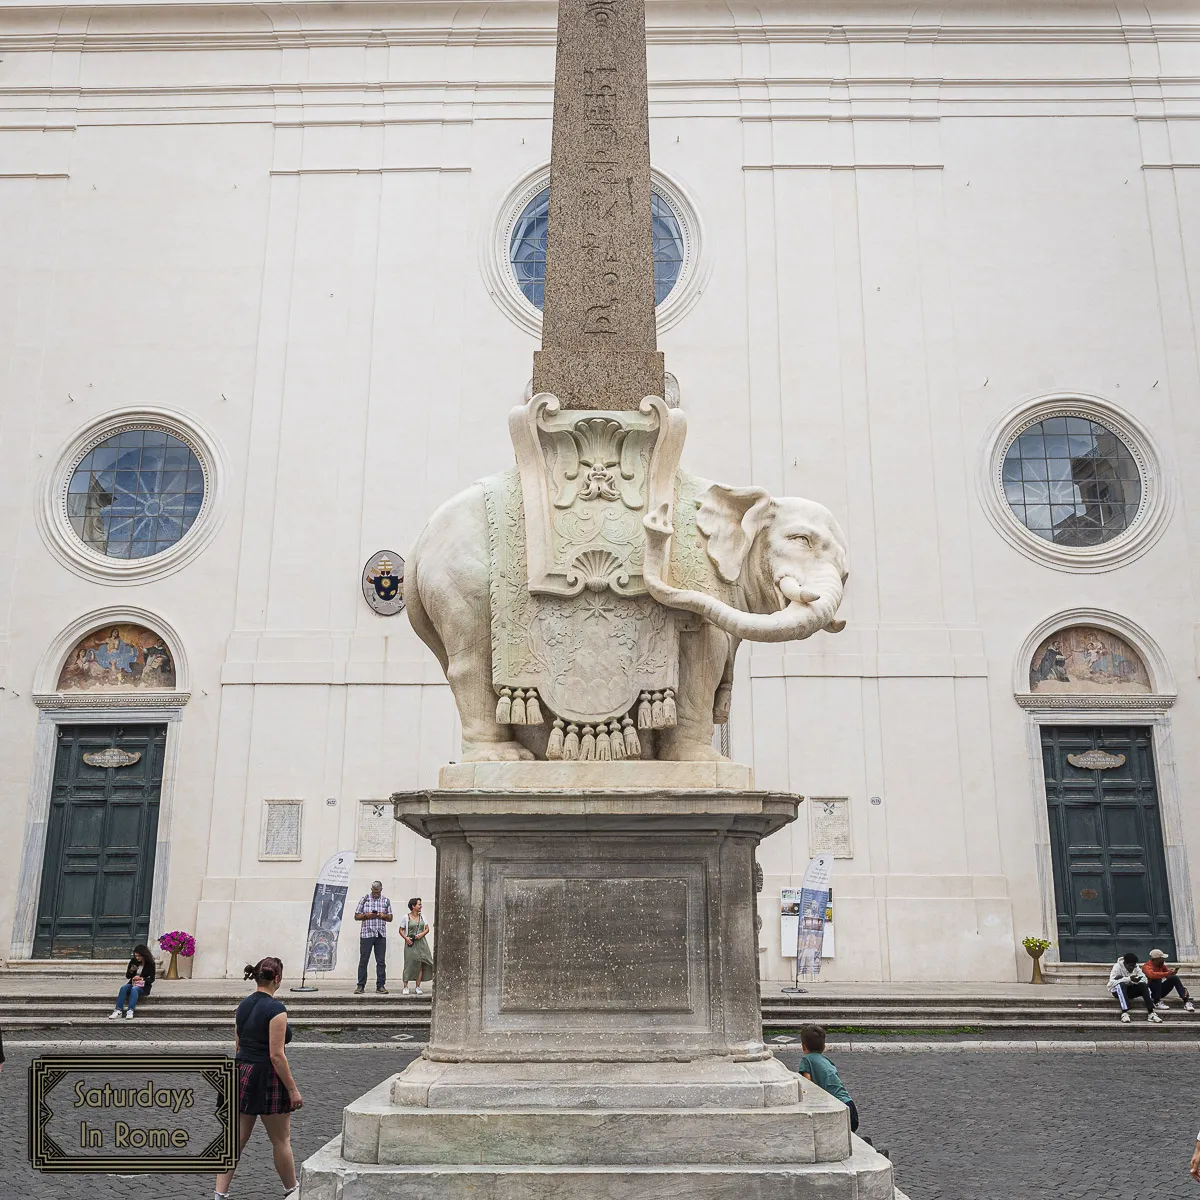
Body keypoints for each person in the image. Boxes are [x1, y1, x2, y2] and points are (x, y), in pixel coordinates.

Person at [214, 957, 303, 1200]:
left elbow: (238, 1046)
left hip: (241, 1071)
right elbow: (277, 1056)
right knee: (281, 1140)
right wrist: (293, 1090)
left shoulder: (242, 1006)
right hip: (265, 1075)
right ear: (278, 979)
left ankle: (219, 1194)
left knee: (235, 1141)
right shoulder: (277, 1010)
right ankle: (292, 1190)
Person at [798, 1024, 858, 1133]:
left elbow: (807, 1084)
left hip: (836, 1106)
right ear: (824, 1046)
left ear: (803, 1047)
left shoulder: (806, 1060)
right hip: (850, 1104)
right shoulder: (827, 1061)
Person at [354, 880, 392, 994]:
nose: (376, 894)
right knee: (363, 960)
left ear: (381, 890)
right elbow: (356, 916)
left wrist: (383, 915)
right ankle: (360, 986)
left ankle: (380, 986)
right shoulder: (364, 899)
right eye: (374, 892)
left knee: (381, 961)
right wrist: (367, 915)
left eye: (378, 892)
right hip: (367, 934)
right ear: (371, 890)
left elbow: (390, 918)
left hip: (380, 934)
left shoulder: (386, 901)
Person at [1108, 951, 1162, 1023]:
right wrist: (1128, 979)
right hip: (1117, 991)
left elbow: (1144, 979)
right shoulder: (1117, 967)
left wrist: (1133, 981)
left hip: (1130, 990)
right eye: (1130, 966)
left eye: (1134, 966)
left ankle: (1151, 1012)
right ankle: (1124, 1012)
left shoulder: (1136, 967)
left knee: (1143, 985)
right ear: (1125, 964)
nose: (1132, 968)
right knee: (1121, 985)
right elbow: (1110, 984)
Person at [109, 943, 156, 1019]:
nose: (137, 958)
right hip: (133, 983)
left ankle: (130, 1010)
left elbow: (152, 979)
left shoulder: (151, 964)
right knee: (124, 987)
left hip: (143, 986)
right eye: (136, 956)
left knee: (135, 989)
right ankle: (118, 1010)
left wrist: (141, 978)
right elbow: (128, 976)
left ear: (144, 955)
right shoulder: (133, 961)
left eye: (139, 956)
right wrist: (131, 971)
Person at [401, 897, 434, 996]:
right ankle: (405, 986)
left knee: (420, 965)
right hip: (410, 943)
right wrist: (406, 938)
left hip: (422, 943)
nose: (421, 906)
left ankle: (417, 986)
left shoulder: (423, 917)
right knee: (408, 964)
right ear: (413, 906)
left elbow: (427, 929)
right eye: (419, 904)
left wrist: (421, 934)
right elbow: (401, 930)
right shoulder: (406, 917)